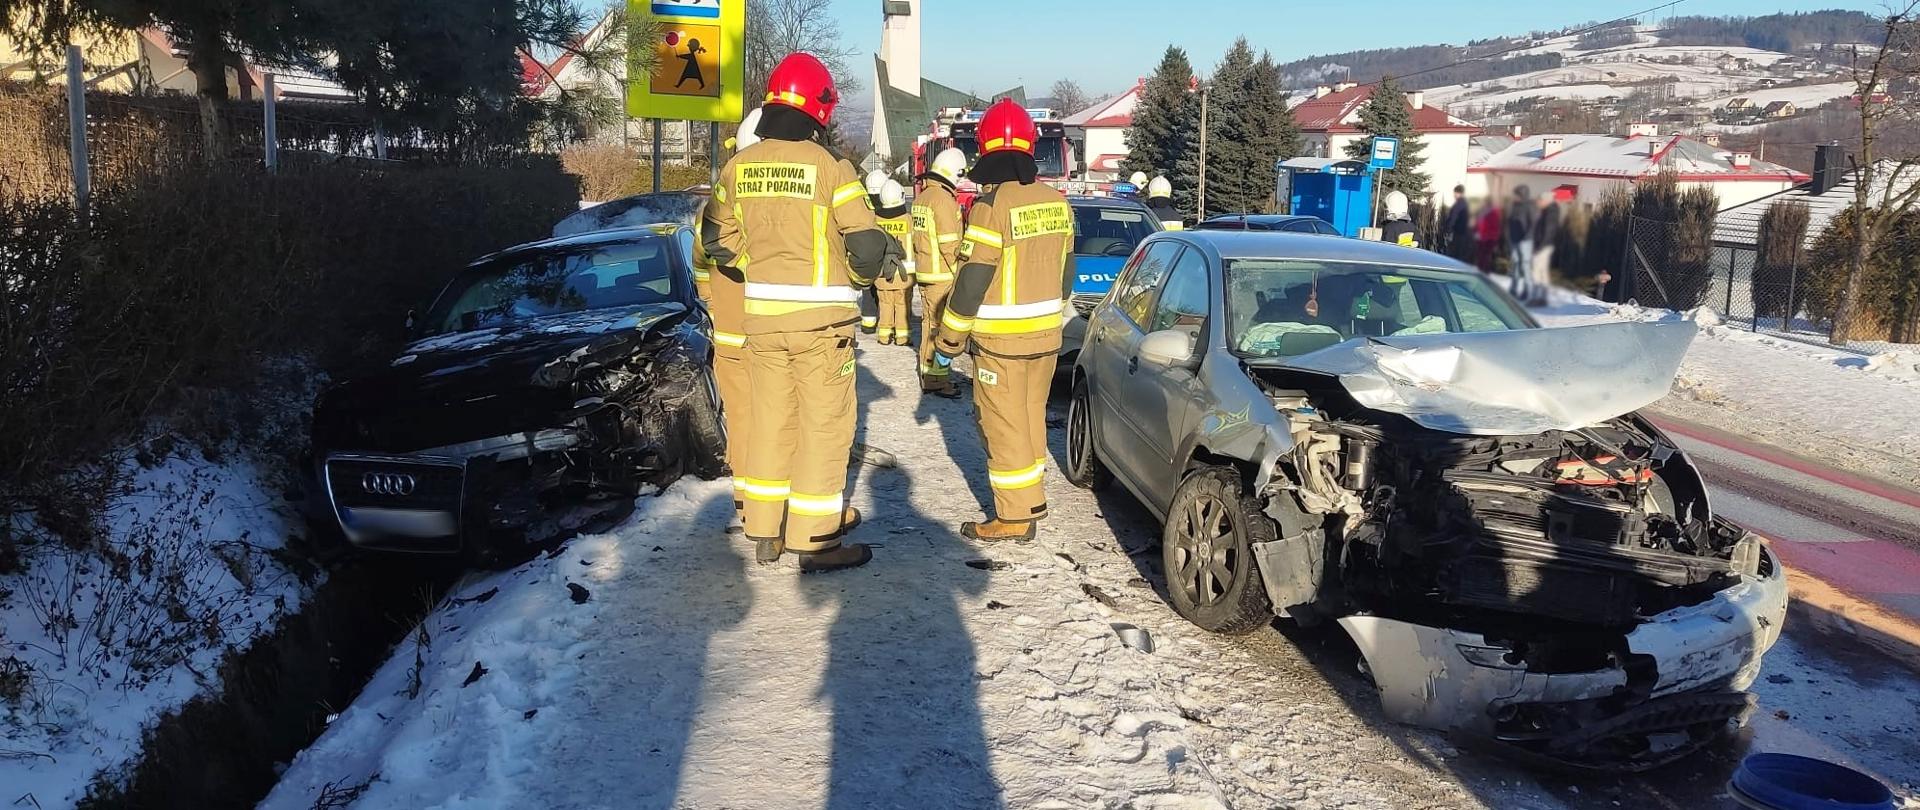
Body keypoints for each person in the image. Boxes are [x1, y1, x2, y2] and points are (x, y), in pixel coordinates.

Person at [703, 52, 901, 572]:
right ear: (819, 108)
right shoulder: (831, 169)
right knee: (824, 428)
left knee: (770, 423)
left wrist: (756, 267)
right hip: (822, 328)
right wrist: (854, 280)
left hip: (762, 323)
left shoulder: (737, 167)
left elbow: (715, 238)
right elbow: (863, 243)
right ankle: (815, 542)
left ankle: (765, 531)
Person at [934, 100, 1075, 543]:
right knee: (1031, 418)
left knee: (1004, 424)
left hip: (1001, 343)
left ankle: (1014, 516)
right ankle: (1032, 499)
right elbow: (1067, 273)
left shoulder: (990, 208)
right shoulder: (1058, 203)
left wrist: (948, 340)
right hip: (1048, 337)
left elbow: (973, 279)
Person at [697, 106, 761, 523]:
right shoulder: (774, 207)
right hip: (769, 333)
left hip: (731, 335)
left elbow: (702, 269)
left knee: (741, 421)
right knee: (780, 421)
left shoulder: (713, 206)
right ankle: (778, 509)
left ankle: (747, 503)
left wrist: (717, 306)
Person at [912, 147, 967, 398]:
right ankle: (936, 379)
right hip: (942, 275)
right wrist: (961, 273)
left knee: (928, 325)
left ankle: (927, 372)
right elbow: (949, 244)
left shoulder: (923, 198)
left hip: (925, 273)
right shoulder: (943, 200)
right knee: (940, 330)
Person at [872, 178, 916, 346]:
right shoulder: (908, 220)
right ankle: (902, 337)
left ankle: (884, 335)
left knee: (885, 304)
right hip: (905, 274)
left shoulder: (876, 220)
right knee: (902, 305)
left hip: (883, 273)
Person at [857, 170, 891, 335]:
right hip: (885, 254)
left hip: (867, 252)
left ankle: (868, 323)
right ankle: (887, 322)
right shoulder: (888, 204)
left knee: (867, 289)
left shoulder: (863, 204)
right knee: (886, 292)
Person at [1529, 188, 1565, 306]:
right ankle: (1542, 297)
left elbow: (1548, 232)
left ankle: (1537, 297)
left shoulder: (1550, 213)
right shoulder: (1548, 211)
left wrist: (1539, 247)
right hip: (1545, 245)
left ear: (1546, 200)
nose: (1538, 203)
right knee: (1542, 272)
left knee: (1536, 271)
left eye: (1540, 200)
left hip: (1543, 246)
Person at [1505, 185, 1537, 300]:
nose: (1515, 197)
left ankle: (1528, 291)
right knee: (1516, 264)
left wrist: (1526, 238)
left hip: (1525, 241)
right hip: (1515, 240)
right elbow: (1510, 221)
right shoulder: (1515, 206)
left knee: (1525, 265)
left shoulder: (1530, 206)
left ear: (1522, 195)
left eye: (1517, 195)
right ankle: (1513, 289)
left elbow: (1533, 224)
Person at [1443, 184, 1474, 262]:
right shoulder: (1465, 204)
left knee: (1454, 254)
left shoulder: (1459, 204)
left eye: (1455, 193)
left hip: (1457, 233)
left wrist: (1448, 230)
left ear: (1458, 193)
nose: (1454, 195)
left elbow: (1453, 218)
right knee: (1460, 254)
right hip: (1463, 233)